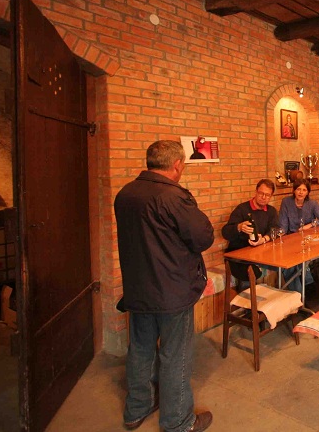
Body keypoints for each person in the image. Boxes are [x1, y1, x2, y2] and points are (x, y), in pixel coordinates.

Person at [114, 140, 214, 432]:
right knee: (175, 354)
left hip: (138, 287)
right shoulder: (173, 196)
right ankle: (178, 421)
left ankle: (137, 408)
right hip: (172, 290)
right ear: (177, 165)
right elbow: (203, 237)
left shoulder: (125, 193)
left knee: (140, 348)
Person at [221, 179, 278, 287]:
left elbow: (275, 229)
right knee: (250, 272)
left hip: (261, 252)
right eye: (261, 193)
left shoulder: (271, 211)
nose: (263, 197)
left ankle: (285, 295)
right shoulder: (242, 209)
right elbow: (225, 232)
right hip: (239, 255)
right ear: (256, 191)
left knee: (286, 266)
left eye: (267, 195)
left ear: (271, 196)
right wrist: (239, 227)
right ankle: (247, 297)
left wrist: (264, 239)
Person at [278, 179, 319, 291]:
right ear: (294, 190)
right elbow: (283, 225)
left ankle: (307, 285)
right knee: (291, 260)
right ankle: (304, 287)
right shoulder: (286, 202)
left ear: (308, 192)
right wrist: (280, 238)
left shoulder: (312, 204)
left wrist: (309, 225)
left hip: (307, 239)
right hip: (290, 238)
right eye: (298, 189)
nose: (301, 192)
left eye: (304, 190)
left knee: (302, 256)